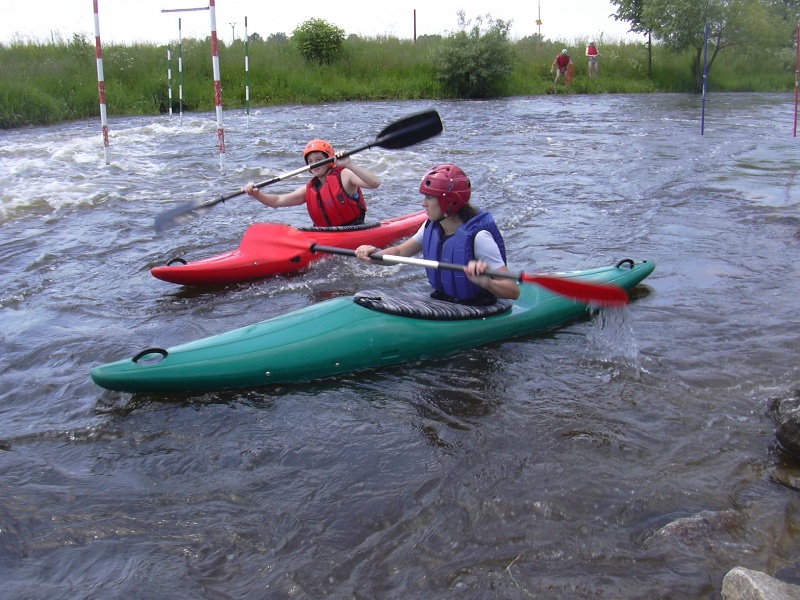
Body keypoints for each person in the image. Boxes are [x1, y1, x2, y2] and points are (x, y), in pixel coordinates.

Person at [355, 164, 520, 304]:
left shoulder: (479, 237)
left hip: (478, 306)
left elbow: (513, 291)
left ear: (448, 201)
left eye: (429, 197)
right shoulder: (432, 226)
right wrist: (375, 255)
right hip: (443, 300)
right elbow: (399, 252)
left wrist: (486, 282)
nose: (423, 203)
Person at [242, 139, 381, 227]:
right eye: (310, 161)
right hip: (324, 235)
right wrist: (256, 194)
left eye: (319, 159)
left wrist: (349, 164)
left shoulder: (344, 175)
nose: (314, 164)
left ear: (329, 160)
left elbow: (375, 183)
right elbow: (277, 201)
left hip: (355, 230)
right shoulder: (309, 189)